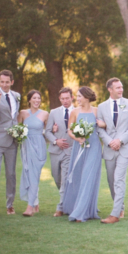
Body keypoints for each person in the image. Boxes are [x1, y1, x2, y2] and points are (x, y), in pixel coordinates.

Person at [97, 78, 128, 224]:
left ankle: (114, 214)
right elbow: (99, 128)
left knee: (119, 179)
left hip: (125, 147)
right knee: (111, 180)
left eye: (121, 87)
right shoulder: (101, 107)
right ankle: (120, 206)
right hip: (109, 148)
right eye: (117, 88)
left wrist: (120, 141)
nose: (121, 90)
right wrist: (110, 142)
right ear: (110, 89)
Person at [62, 87, 106, 222]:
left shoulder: (97, 111)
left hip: (94, 147)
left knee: (89, 176)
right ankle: (76, 206)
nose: (77, 99)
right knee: (78, 176)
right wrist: (77, 138)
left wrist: (103, 124)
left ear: (87, 97)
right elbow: (69, 130)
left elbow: (105, 125)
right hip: (79, 147)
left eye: (79, 96)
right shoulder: (75, 112)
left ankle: (81, 213)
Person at [0, 70, 21, 218]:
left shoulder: (16, 96)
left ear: (11, 82)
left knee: (11, 174)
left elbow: (15, 117)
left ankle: (10, 205)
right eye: (2, 82)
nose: (5, 84)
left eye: (7, 82)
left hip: (12, 141)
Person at [18, 90, 49, 217]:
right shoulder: (23, 113)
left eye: (39, 98)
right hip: (26, 146)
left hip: (39, 146)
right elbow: (17, 128)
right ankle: (34, 203)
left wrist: (55, 130)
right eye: (34, 98)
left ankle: (30, 206)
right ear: (29, 100)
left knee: (34, 175)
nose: (37, 100)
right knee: (29, 173)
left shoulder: (45, 114)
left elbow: (48, 131)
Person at [44, 87, 75, 217]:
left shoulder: (77, 112)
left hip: (70, 150)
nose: (65, 101)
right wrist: (56, 141)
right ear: (59, 99)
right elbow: (47, 132)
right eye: (62, 99)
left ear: (72, 97)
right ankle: (68, 200)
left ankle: (61, 207)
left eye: (67, 98)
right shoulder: (53, 112)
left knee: (65, 179)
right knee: (56, 177)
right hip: (55, 151)